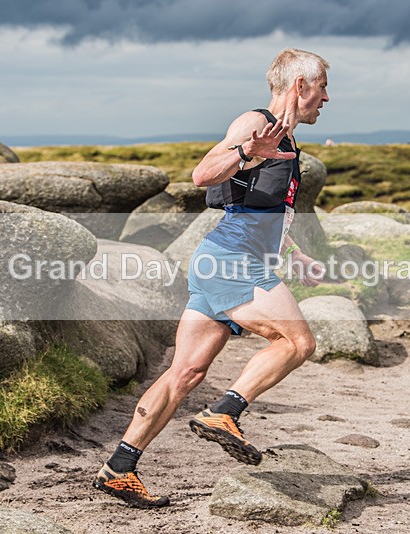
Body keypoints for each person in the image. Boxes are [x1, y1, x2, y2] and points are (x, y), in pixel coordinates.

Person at [92, 48, 330, 508]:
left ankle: (119, 468)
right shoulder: (254, 124)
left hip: (220, 260)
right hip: (232, 260)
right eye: (322, 87)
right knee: (297, 342)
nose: (326, 98)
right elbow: (202, 174)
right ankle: (225, 412)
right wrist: (245, 151)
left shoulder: (284, 139)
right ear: (299, 85)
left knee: (185, 373)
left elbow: (257, 207)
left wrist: (295, 254)